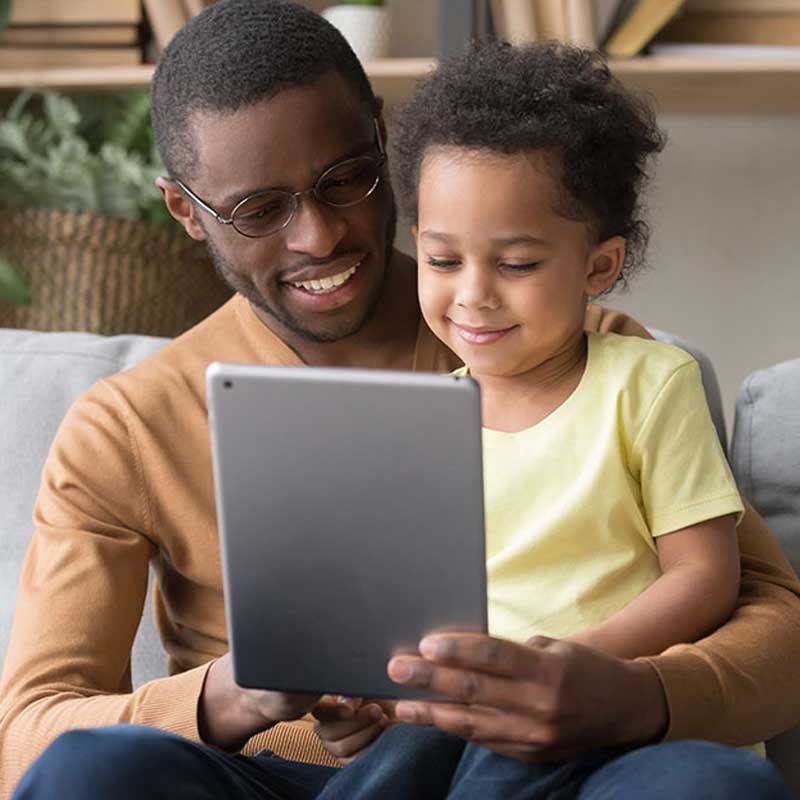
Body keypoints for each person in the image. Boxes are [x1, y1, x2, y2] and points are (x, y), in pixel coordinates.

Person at [0, 1, 797, 797]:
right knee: (89, 770)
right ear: (186, 210)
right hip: (303, 780)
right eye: (259, 209)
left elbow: (770, 620)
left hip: (557, 759)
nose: (318, 237)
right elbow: (28, 734)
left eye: (344, 180)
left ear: (383, 141)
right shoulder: (127, 426)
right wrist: (230, 693)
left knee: (707, 786)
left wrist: (634, 698)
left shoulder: (588, 357)